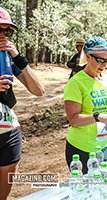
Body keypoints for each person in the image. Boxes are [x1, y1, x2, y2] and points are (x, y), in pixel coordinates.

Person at [64, 36, 107, 174]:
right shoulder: (76, 82)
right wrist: (98, 117)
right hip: (82, 150)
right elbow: (73, 119)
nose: (104, 65)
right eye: (100, 60)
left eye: (106, 60)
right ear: (87, 57)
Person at [0, 7, 44, 200]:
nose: (3, 36)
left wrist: (19, 58)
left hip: (8, 130)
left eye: (7, 31)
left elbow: (39, 90)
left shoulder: (8, 55)